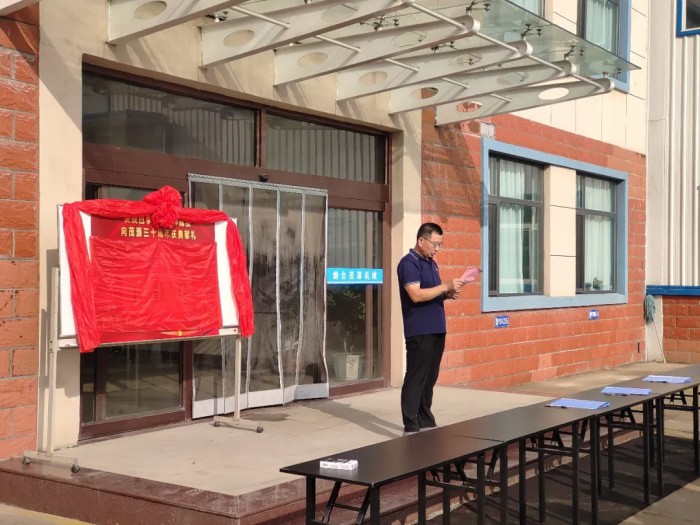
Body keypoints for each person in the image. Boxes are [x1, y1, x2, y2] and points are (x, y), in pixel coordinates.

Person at [397, 223, 462, 435]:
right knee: (416, 376)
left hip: (437, 327)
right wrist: (444, 286)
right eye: (435, 244)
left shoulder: (431, 264)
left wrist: (447, 294)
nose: (437, 249)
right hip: (419, 329)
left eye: (440, 245)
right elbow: (415, 295)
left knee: (430, 377)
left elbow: (432, 293)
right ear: (421, 240)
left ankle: (425, 418)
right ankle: (410, 423)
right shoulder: (408, 263)